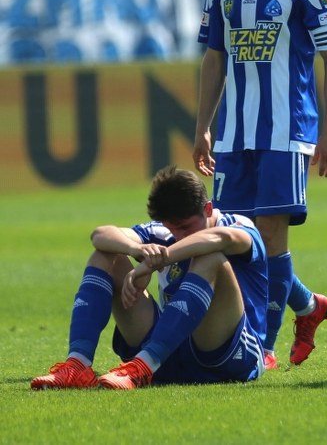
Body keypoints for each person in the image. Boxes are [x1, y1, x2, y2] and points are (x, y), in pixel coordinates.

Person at [193, 0, 327, 371]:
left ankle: (263, 343)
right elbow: (214, 58)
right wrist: (203, 126)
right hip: (235, 136)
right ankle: (308, 305)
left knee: (271, 239)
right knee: (237, 241)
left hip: (286, 131)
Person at [31, 166, 268, 390]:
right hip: (172, 353)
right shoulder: (163, 232)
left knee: (211, 258)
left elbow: (220, 239)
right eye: (172, 228)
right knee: (106, 255)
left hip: (231, 357)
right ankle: (78, 365)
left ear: (207, 209)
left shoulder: (238, 225)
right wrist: (137, 252)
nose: (178, 235)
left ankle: (143, 366)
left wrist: (154, 263)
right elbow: (100, 234)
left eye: (185, 227)